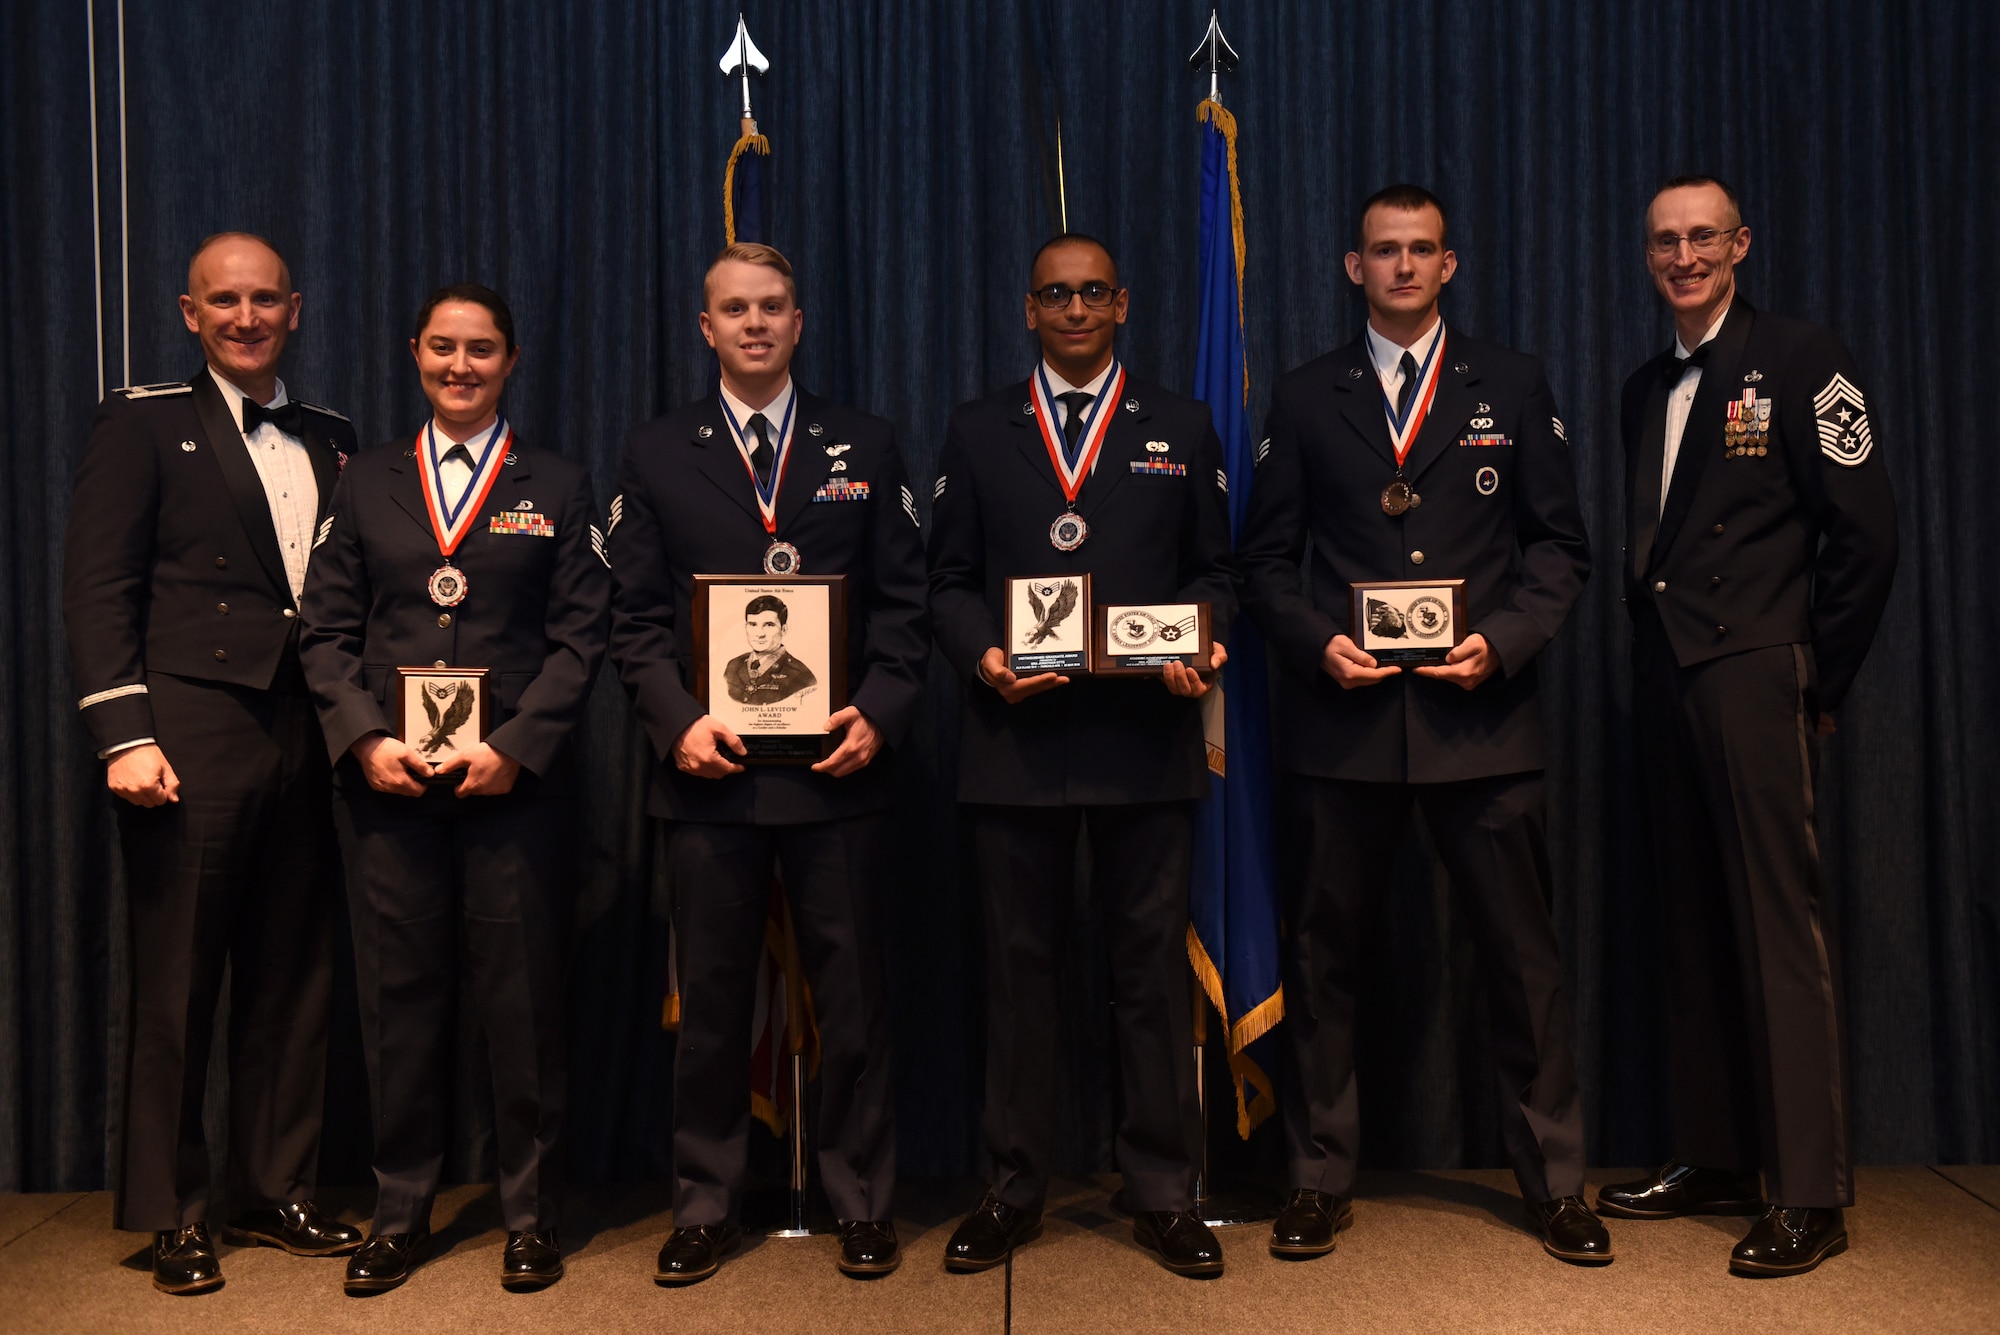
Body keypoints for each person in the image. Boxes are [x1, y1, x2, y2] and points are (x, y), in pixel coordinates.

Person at [1238, 186, 1607, 1265]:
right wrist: (1317, 644)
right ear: (1352, 267)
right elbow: (1263, 561)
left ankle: (1554, 1182)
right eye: (1382, 252)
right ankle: (1314, 1180)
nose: (1401, 267)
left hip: (1479, 718)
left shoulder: (1511, 382)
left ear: (1448, 265)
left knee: (1519, 962)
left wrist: (1500, 639)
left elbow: (1558, 550)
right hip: (1342, 723)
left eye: (1420, 251)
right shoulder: (1308, 396)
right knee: (1322, 962)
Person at [609, 243, 929, 1284]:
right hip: (708, 777)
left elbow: (903, 605)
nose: (754, 324)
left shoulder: (866, 443)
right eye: (733, 309)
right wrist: (675, 723)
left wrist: (879, 712)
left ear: (800, 322)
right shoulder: (658, 451)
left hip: (839, 775)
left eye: (773, 307)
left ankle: (862, 1203)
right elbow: (636, 619)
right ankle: (704, 1204)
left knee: (855, 1004)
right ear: (705, 328)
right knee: (709, 1007)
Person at [1595, 176, 1897, 1276]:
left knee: (1777, 926)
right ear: (1646, 257)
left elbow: (1864, 538)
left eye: (1700, 238)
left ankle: (1809, 1191)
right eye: (1662, 241)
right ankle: (1716, 1156)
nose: (1682, 256)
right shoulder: (1642, 386)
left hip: (1756, 667)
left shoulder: (1804, 359)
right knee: (1690, 921)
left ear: (1739, 245)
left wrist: (1813, 679)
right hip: (1668, 677)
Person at [928, 232, 1235, 1278]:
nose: (1072, 308)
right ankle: (1012, 1187)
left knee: (1147, 977)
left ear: (1122, 303)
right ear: (1026, 309)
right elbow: (946, 580)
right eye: (1054, 293)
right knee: (1017, 980)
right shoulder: (977, 430)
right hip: (1013, 743)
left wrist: (1201, 641)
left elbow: (1214, 569)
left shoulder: (1180, 425)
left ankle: (1160, 1189)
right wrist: (981, 655)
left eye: (1091, 291)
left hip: (1142, 743)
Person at [62, 232, 362, 1295]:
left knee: (295, 973)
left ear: (295, 310)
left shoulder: (332, 434)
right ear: (190, 314)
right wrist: (124, 736)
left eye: (265, 299)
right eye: (224, 301)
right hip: (186, 734)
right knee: (179, 980)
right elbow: (100, 591)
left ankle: (274, 1188)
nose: (246, 316)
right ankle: (174, 1213)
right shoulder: (141, 424)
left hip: (309, 732)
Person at [298, 284, 608, 1294]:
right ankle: (399, 1213)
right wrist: (359, 739)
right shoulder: (366, 481)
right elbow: (326, 633)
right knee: (399, 1004)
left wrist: (518, 744)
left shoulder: (557, 483)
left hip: (512, 792)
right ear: (415, 354)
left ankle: (528, 1214)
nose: (460, 366)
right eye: (443, 348)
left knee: (522, 1008)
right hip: (388, 789)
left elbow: (579, 638)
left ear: (511, 361)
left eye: (480, 350)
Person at [722, 594, 818, 704]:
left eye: (769, 625)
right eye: (753, 624)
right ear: (746, 627)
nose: (759, 634)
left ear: (784, 630)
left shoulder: (801, 676)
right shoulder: (733, 666)